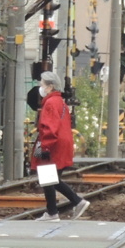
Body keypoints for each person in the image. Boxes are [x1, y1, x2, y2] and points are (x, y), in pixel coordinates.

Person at [30, 71, 90, 221]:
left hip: (51, 143)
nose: (40, 87)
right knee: (49, 177)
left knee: (48, 177)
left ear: (50, 86)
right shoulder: (59, 102)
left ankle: (74, 202)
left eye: (42, 84)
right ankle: (52, 211)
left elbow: (49, 128)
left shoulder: (50, 103)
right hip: (62, 142)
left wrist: (45, 148)